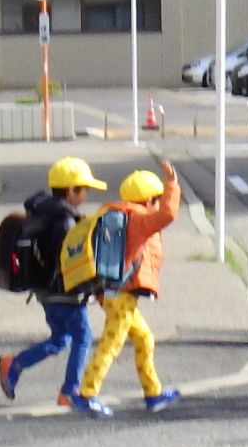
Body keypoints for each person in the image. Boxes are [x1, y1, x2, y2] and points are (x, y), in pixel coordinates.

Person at [0, 157, 114, 418]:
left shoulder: (44, 213)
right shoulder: (65, 222)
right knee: (82, 336)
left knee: (61, 339)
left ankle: (14, 364)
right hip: (64, 292)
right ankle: (70, 390)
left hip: (45, 290)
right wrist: (92, 284)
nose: (86, 195)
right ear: (71, 191)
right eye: (84, 189)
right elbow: (70, 259)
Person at [77, 161, 183, 413]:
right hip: (122, 293)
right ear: (147, 201)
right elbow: (167, 215)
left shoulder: (113, 214)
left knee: (144, 339)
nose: (157, 203)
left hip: (111, 291)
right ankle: (86, 393)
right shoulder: (138, 219)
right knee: (111, 343)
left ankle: (153, 392)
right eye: (156, 199)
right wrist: (172, 185)